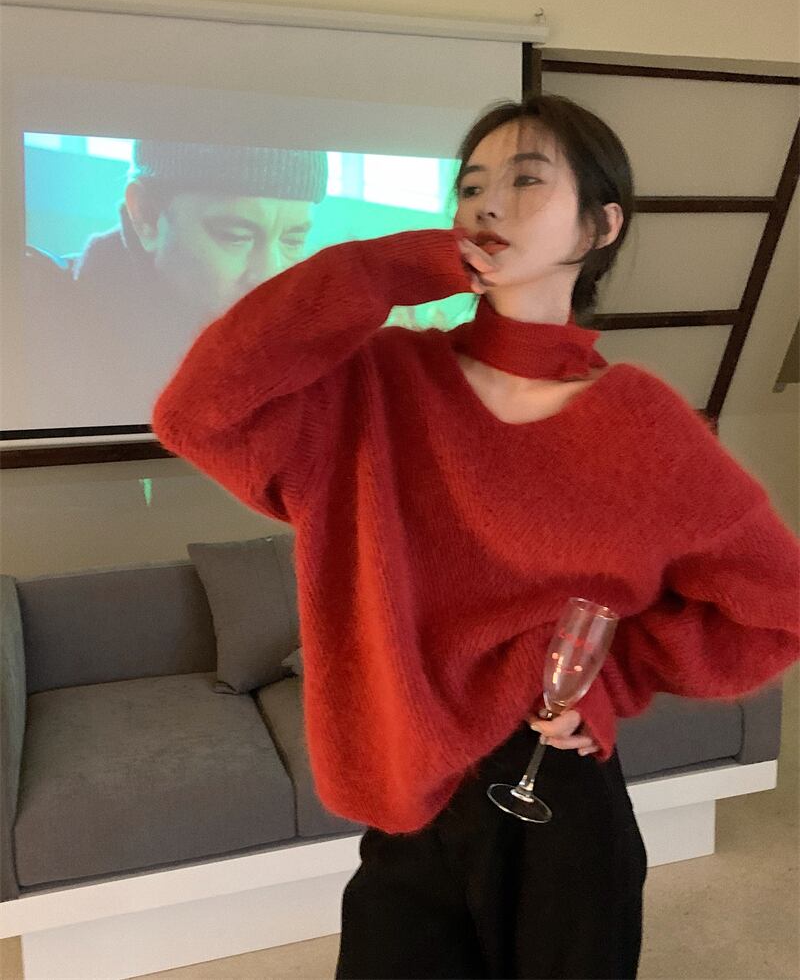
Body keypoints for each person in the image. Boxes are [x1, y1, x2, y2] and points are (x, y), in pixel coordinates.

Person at [150, 94, 800, 979]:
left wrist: (609, 676)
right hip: (409, 798)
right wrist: (386, 270)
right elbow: (197, 412)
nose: (489, 204)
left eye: (526, 181)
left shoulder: (642, 424)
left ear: (600, 226)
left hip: (556, 787)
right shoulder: (378, 384)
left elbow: (774, 606)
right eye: (471, 186)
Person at [22, 142, 327, 425]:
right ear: (146, 217)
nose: (270, 275)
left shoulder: (308, 351)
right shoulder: (33, 319)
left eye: (292, 241)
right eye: (236, 236)